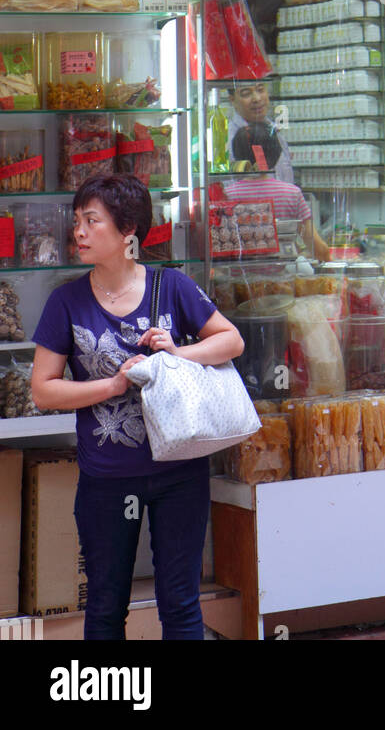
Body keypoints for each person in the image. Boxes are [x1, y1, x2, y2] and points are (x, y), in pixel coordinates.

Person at [30, 173, 244, 641]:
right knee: (105, 607)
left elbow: (232, 340)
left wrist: (175, 356)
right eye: (78, 221)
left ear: (128, 231)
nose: (79, 232)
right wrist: (112, 385)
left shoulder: (172, 286)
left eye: (92, 221)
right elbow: (43, 390)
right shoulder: (65, 300)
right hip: (107, 478)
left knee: (181, 604)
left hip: (180, 471)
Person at [225, 80, 331, 261]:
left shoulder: (276, 133)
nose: (257, 99)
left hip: (283, 250)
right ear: (232, 100)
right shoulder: (226, 140)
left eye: (261, 90)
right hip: (246, 253)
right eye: (246, 93)